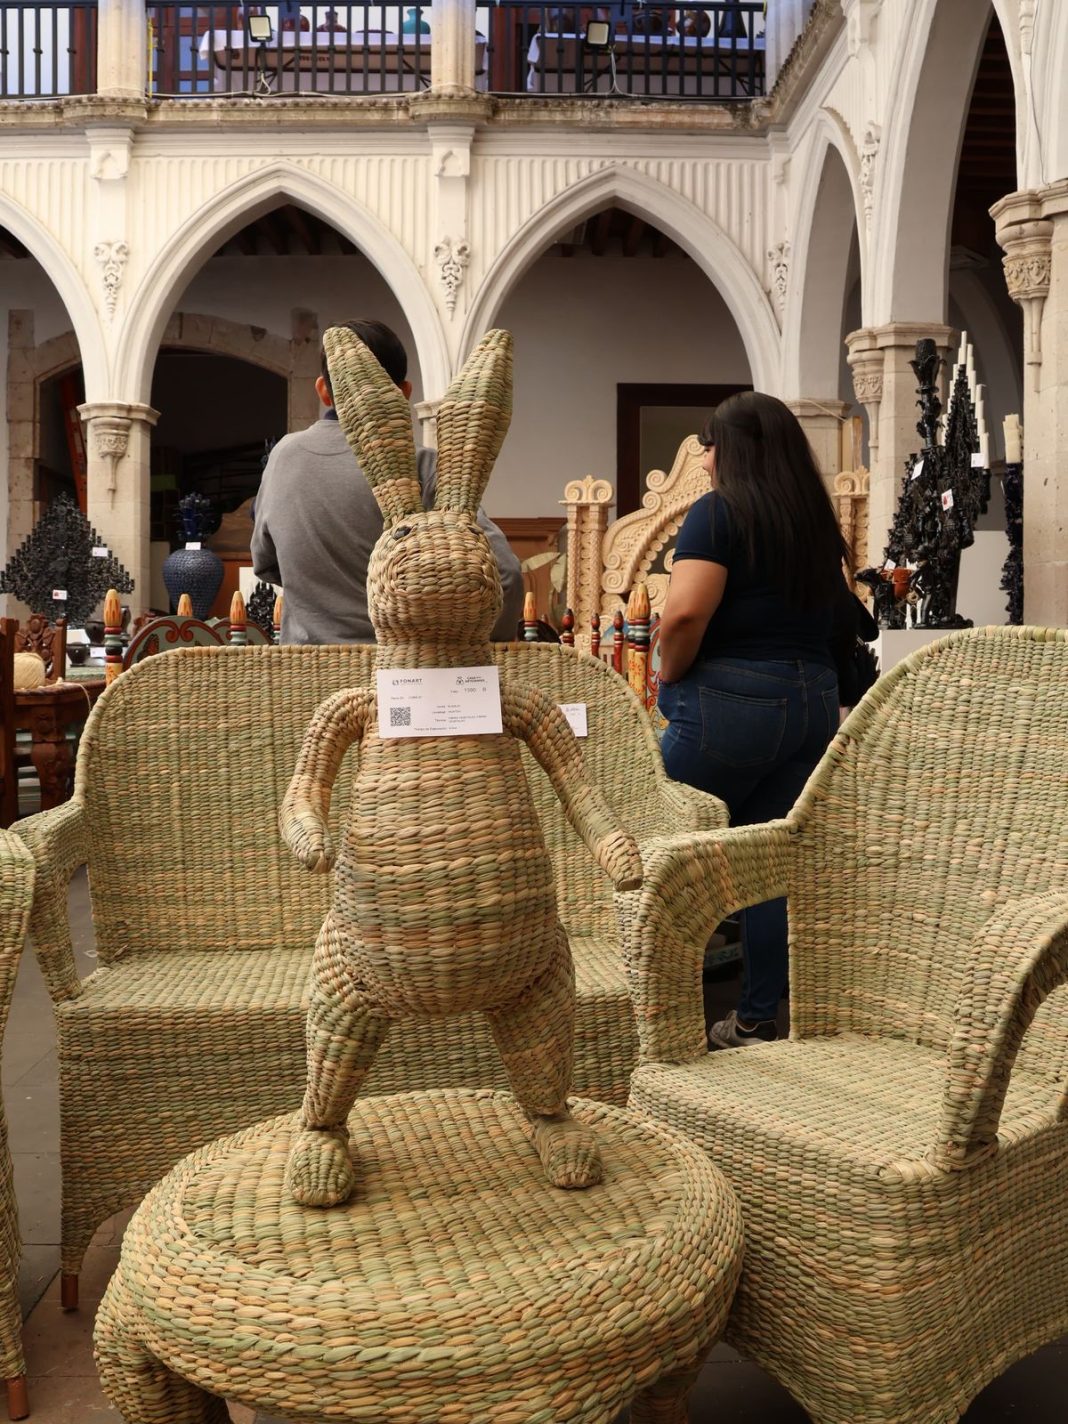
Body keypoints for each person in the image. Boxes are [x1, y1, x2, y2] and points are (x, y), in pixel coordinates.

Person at [656, 390, 856, 1049]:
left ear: (732, 450)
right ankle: (756, 1020)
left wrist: (669, 674)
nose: (704, 460)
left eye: (709, 446)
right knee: (767, 862)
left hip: (732, 704)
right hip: (812, 704)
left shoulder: (718, 512)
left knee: (653, 844)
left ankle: (651, 1018)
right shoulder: (813, 522)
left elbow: (685, 614)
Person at [252, 319, 524, 645]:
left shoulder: (282, 458)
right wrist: (478, 646)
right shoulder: (424, 467)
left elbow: (265, 562)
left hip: (304, 667)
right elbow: (506, 575)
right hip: (402, 669)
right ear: (404, 393)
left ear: (324, 390)